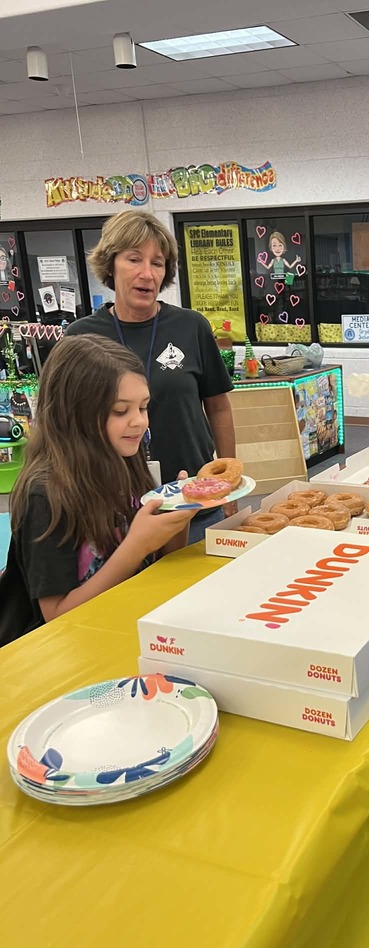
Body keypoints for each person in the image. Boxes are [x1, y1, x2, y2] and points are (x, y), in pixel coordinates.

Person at [0, 335, 195, 647]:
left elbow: (157, 564)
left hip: (130, 629)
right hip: (69, 652)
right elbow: (58, 617)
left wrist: (176, 515)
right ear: (74, 413)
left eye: (143, 407)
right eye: (120, 411)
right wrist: (135, 546)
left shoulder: (125, 460)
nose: (139, 422)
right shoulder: (46, 494)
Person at [65, 209, 236, 544]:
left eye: (157, 263)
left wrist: (227, 485)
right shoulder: (80, 338)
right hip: (112, 514)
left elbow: (219, 407)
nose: (146, 273)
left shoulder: (191, 327)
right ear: (111, 264)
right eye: (133, 259)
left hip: (194, 503)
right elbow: (66, 426)